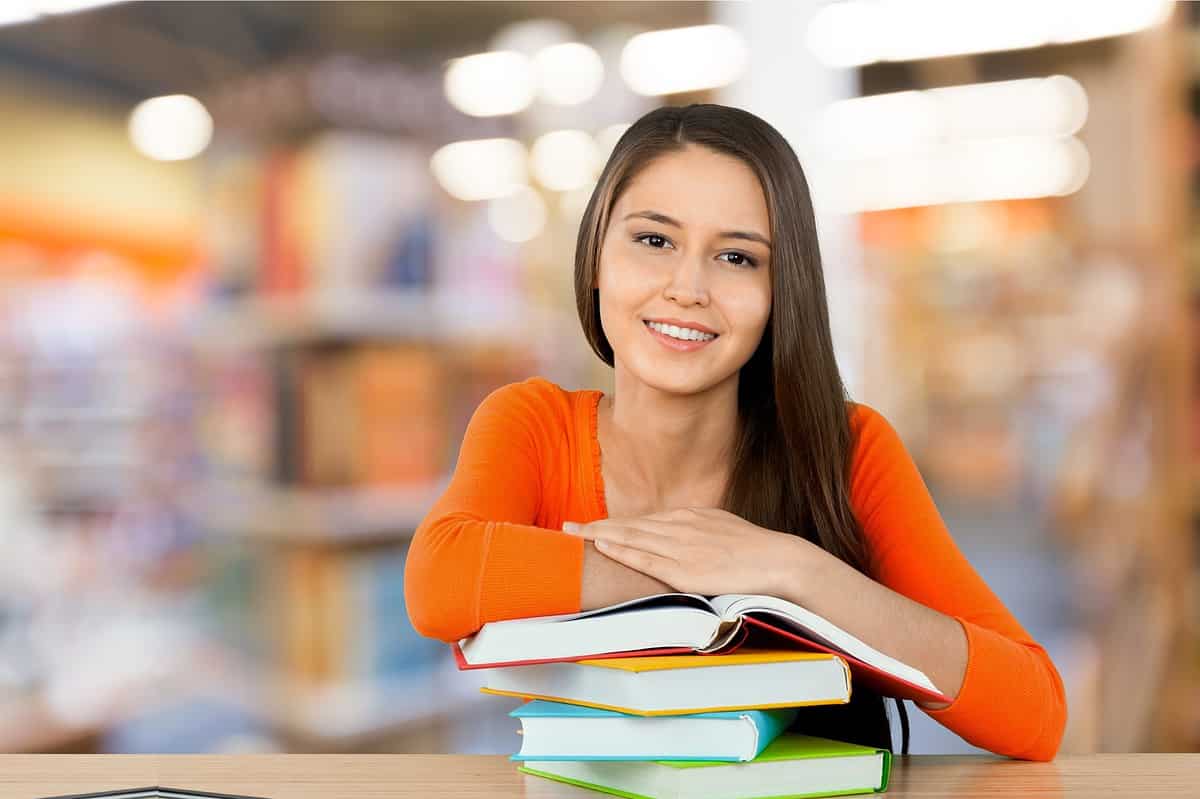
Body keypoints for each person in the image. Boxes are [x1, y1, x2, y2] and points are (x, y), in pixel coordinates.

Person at [403, 103, 1066, 761]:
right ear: (597, 255)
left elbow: (1035, 711)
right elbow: (439, 581)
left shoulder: (848, 451)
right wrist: (694, 580)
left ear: (783, 289)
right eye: (654, 240)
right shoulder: (534, 425)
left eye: (737, 257)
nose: (688, 287)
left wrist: (791, 569)